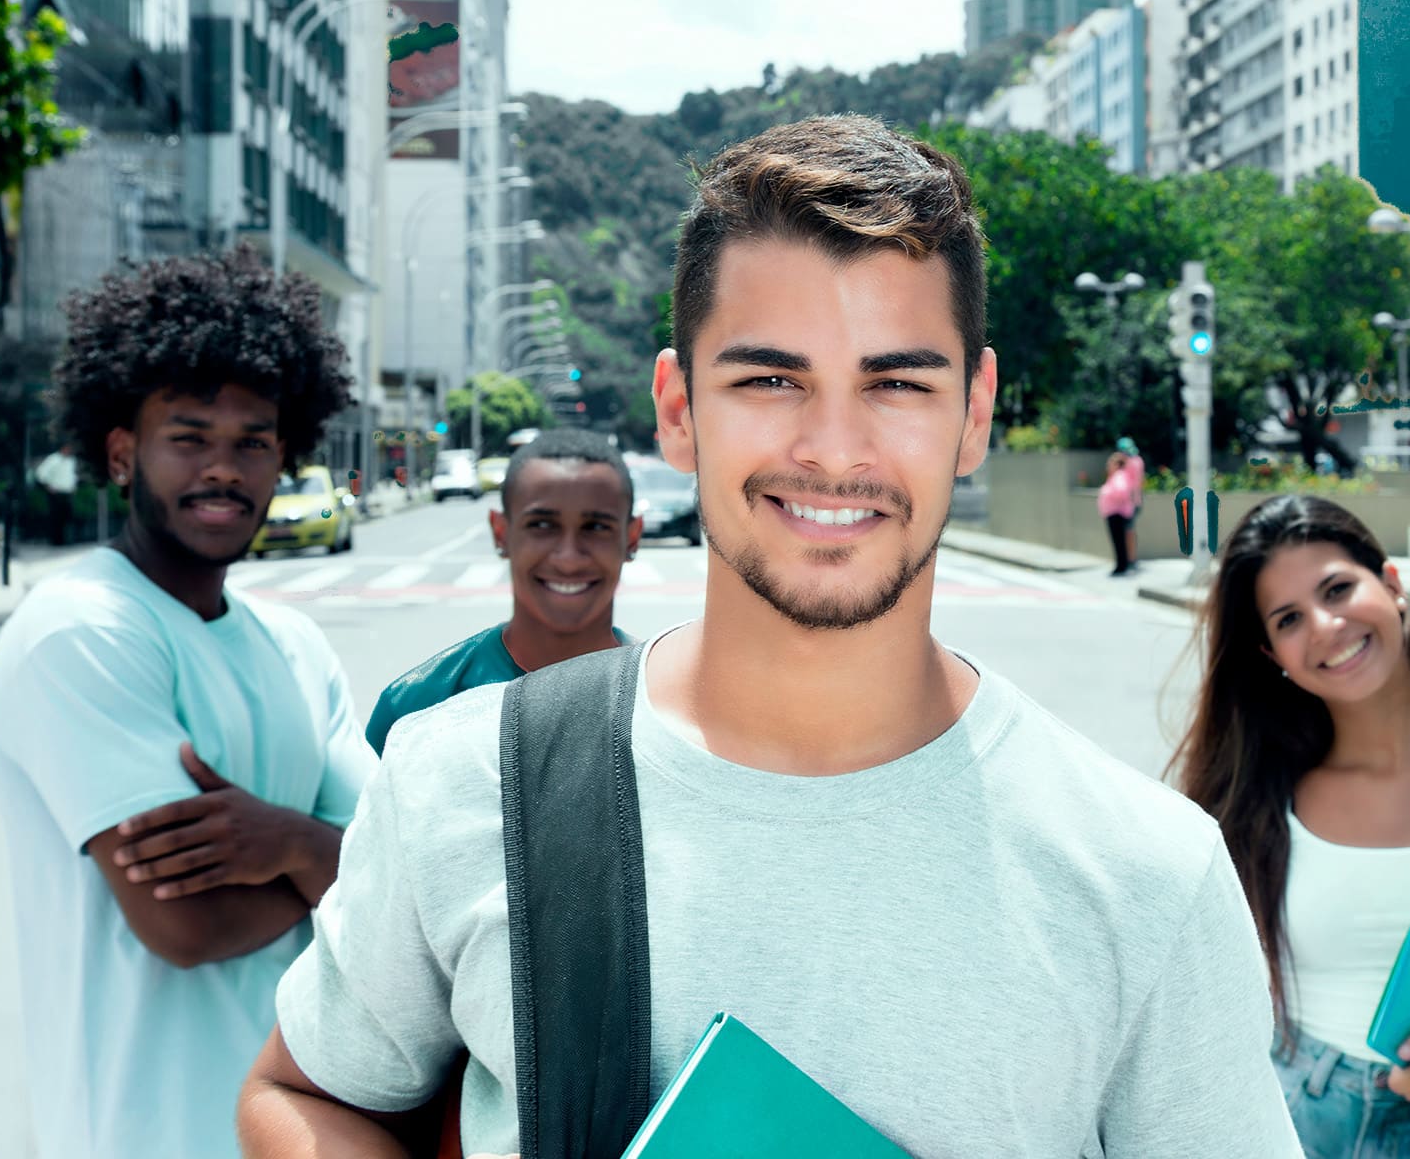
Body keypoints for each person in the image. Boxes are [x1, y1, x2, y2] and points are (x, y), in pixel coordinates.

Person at [239, 114, 1301, 1157]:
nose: (834, 449)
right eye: (769, 378)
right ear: (678, 406)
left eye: (896, 382)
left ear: (975, 411)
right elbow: (305, 1095)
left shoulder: (1144, 869)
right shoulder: (468, 779)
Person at [0, 246, 376, 1159]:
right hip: (143, 1133)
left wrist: (282, 842)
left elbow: (402, 890)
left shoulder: (294, 645)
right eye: (189, 437)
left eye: (253, 442)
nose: (224, 469)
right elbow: (185, 925)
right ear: (122, 453)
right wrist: (330, 867)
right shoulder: (82, 632)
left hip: (307, 1127)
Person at [1170, 494, 1410, 1159]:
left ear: (1394, 585)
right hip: (1303, 1120)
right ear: (1273, 656)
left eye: (1338, 588)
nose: (1324, 625)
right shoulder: (1255, 800)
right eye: (1290, 618)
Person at [363, 427, 642, 755]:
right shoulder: (414, 710)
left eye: (596, 527)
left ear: (633, 537)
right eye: (541, 525)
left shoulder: (667, 700)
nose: (568, 558)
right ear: (501, 532)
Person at [1098, 450, 1137, 576]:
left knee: (1119, 541)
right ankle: (1121, 565)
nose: (1108, 466)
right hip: (1114, 513)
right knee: (1118, 541)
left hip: (1117, 514)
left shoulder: (1119, 475)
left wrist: (1110, 495)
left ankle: (1121, 566)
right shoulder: (1116, 476)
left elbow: (1122, 492)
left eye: (1111, 463)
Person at [34, 441, 78, 544]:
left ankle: (66, 541)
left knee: (67, 518)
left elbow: (73, 475)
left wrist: (73, 486)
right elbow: (40, 473)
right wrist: (47, 486)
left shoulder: (72, 460)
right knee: (56, 519)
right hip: (56, 493)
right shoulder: (53, 459)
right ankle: (55, 541)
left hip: (67, 493)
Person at [1118, 435, 1146, 569]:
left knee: (1128, 531)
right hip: (1132, 500)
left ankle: (1131, 559)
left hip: (1131, 502)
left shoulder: (1132, 462)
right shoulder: (1137, 460)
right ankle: (1130, 558)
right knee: (1129, 531)